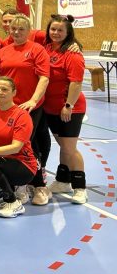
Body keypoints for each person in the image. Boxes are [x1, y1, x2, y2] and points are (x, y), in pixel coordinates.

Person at [0, 14, 51, 205]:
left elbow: (44, 77)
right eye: (13, 29)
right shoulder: (4, 51)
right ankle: (20, 184)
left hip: (29, 107)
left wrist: (33, 100)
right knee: (11, 144)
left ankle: (39, 185)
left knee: (27, 145)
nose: (17, 32)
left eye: (21, 29)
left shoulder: (37, 50)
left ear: (28, 31)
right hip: (8, 106)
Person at [0, 76, 38, 218]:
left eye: (4, 89)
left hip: (23, 165)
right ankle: (8, 190)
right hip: (1, 161)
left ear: (14, 92)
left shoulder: (22, 115)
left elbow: (16, 147)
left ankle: (12, 202)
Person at [43, 15, 88, 204]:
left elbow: (76, 83)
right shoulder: (46, 47)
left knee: (70, 148)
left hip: (69, 108)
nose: (56, 33)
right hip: (51, 108)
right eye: (53, 29)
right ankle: (62, 181)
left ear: (68, 33)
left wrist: (68, 105)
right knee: (63, 146)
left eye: (60, 30)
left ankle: (80, 187)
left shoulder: (72, 54)